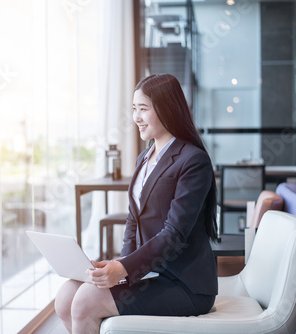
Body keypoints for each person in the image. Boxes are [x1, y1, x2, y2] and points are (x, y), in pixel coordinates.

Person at [55, 73, 219, 333]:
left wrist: (124, 268)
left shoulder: (192, 160)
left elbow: (174, 234)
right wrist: (122, 263)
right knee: (66, 297)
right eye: (134, 109)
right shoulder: (145, 157)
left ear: (167, 108)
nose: (136, 118)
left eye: (143, 109)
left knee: (87, 300)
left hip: (183, 283)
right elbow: (134, 218)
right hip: (148, 272)